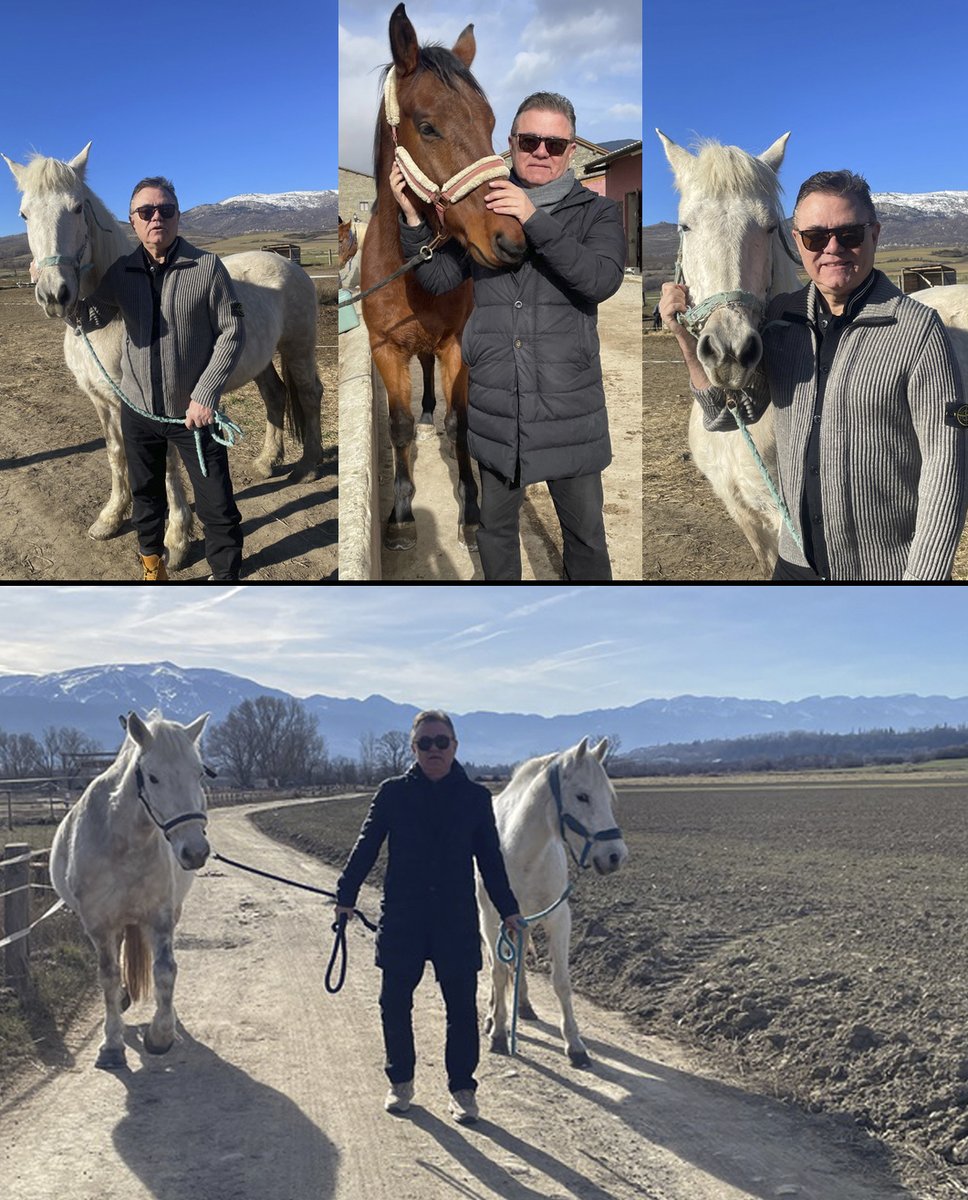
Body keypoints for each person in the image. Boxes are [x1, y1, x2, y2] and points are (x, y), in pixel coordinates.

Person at [660, 169, 968, 581]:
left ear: (874, 235)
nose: (833, 249)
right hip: (795, 565)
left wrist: (924, 580)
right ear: (796, 240)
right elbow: (725, 413)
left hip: (882, 573)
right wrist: (683, 335)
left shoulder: (918, 329)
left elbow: (946, 465)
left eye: (850, 235)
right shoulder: (781, 323)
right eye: (816, 238)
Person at [391, 92, 627, 581]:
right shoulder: (481, 207)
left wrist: (533, 219)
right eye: (530, 140)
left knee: (585, 539)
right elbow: (437, 282)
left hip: (570, 413)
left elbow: (599, 280)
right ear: (510, 143)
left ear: (571, 151)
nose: (542, 152)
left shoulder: (596, 213)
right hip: (499, 412)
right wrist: (414, 221)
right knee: (496, 533)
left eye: (555, 144)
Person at [335, 710, 524, 1125]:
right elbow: (365, 847)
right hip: (403, 916)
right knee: (393, 1003)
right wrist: (345, 896)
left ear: (455, 747)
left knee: (461, 1009)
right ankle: (400, 1081)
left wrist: (508, 909)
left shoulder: (475, 799)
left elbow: (491, 861)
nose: (434, 749)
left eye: (441, 742)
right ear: (413, 748)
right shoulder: (392, 794)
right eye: (425, 742)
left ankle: (462, 1090)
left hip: (455, 921)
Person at [75, 177, 246, 582]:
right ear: (132, 221)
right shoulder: (121, 272)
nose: (157, 219)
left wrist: (206, 394)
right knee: (146, 500)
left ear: (177, 216)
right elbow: (89, 317)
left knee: (217, 506)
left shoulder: (206, 267)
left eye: (165, 210)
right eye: (146, 212)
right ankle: (153, 568)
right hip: (138, 413)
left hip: (194, 415)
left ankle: (226, 579)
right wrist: (49, 288)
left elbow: (232, 331)